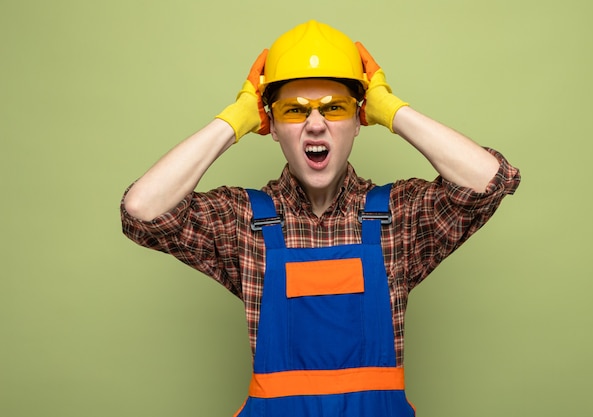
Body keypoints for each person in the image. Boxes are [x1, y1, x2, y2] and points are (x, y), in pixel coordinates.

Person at [121, 20, 520, 417]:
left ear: (358, 121)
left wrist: (393, 110)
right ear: (271, 125)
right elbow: (142, 210)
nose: (315, 124)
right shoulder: (243, 223)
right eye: (294, 111)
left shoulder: (397, 218)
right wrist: (234, 120)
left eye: (335, 108)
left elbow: (491, 179)